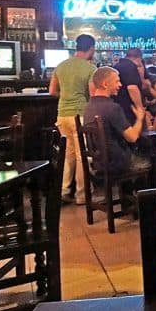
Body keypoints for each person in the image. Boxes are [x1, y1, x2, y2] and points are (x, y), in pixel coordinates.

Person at [49, 34, 96, 205]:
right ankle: (82, 195)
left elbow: (52, 91)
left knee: (68, 156)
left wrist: (66, 96)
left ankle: (64, 191)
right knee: (82, 155)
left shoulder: (61, 65)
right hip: (80, 115)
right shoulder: (90, 68)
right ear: (91, 48)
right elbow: (93, 94)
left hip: (62, 115)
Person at [84, 67, 151, 177]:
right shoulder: (112, 108)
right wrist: (140, 118)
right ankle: (145, 188)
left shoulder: (88, 107)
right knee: (155, 159)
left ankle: (128, 189)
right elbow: (132, 137)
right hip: (117, 163)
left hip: (99, 162)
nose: (120, 85)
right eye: (117, 81)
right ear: (105, 84)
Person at [113, 48, 144, 124]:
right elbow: (132, 88)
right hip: (128, 109)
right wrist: (140, 108)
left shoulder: (117, 65)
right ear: (138, 58)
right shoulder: (130, 66)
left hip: (118, 107)